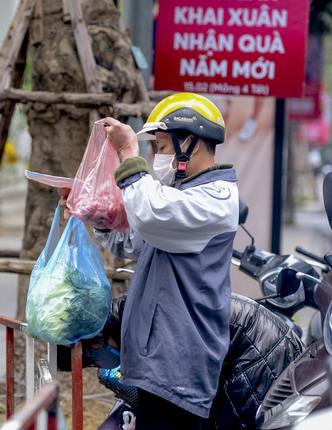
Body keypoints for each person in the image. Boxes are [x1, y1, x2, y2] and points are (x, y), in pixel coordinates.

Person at [62, 93, 238, 428]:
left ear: (190, 142)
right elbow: (132, 239)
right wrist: (97, 214)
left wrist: (129, 154)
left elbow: (151, 215)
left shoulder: (216, 199)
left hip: (179, 363)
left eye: (161, 146)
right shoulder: (183, 192)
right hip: (159, 361)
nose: (156, 156)